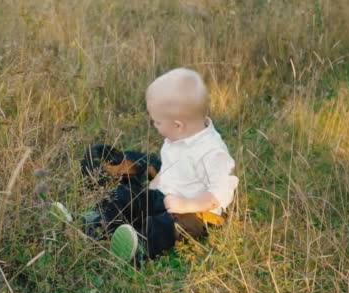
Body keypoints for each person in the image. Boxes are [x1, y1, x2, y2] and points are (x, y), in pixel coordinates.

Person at [82, 68, 239, 261]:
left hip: (197, 212)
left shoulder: (212, 152)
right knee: (128, 197)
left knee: (164, 225)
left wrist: (187, 204)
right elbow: (173, 168)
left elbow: (220, 193)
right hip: (165, 196)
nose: (154, 126)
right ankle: (95, 224)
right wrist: (154, 186)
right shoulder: (178, 137)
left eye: (157, 122)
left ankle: (137, 247)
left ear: (178, 125)